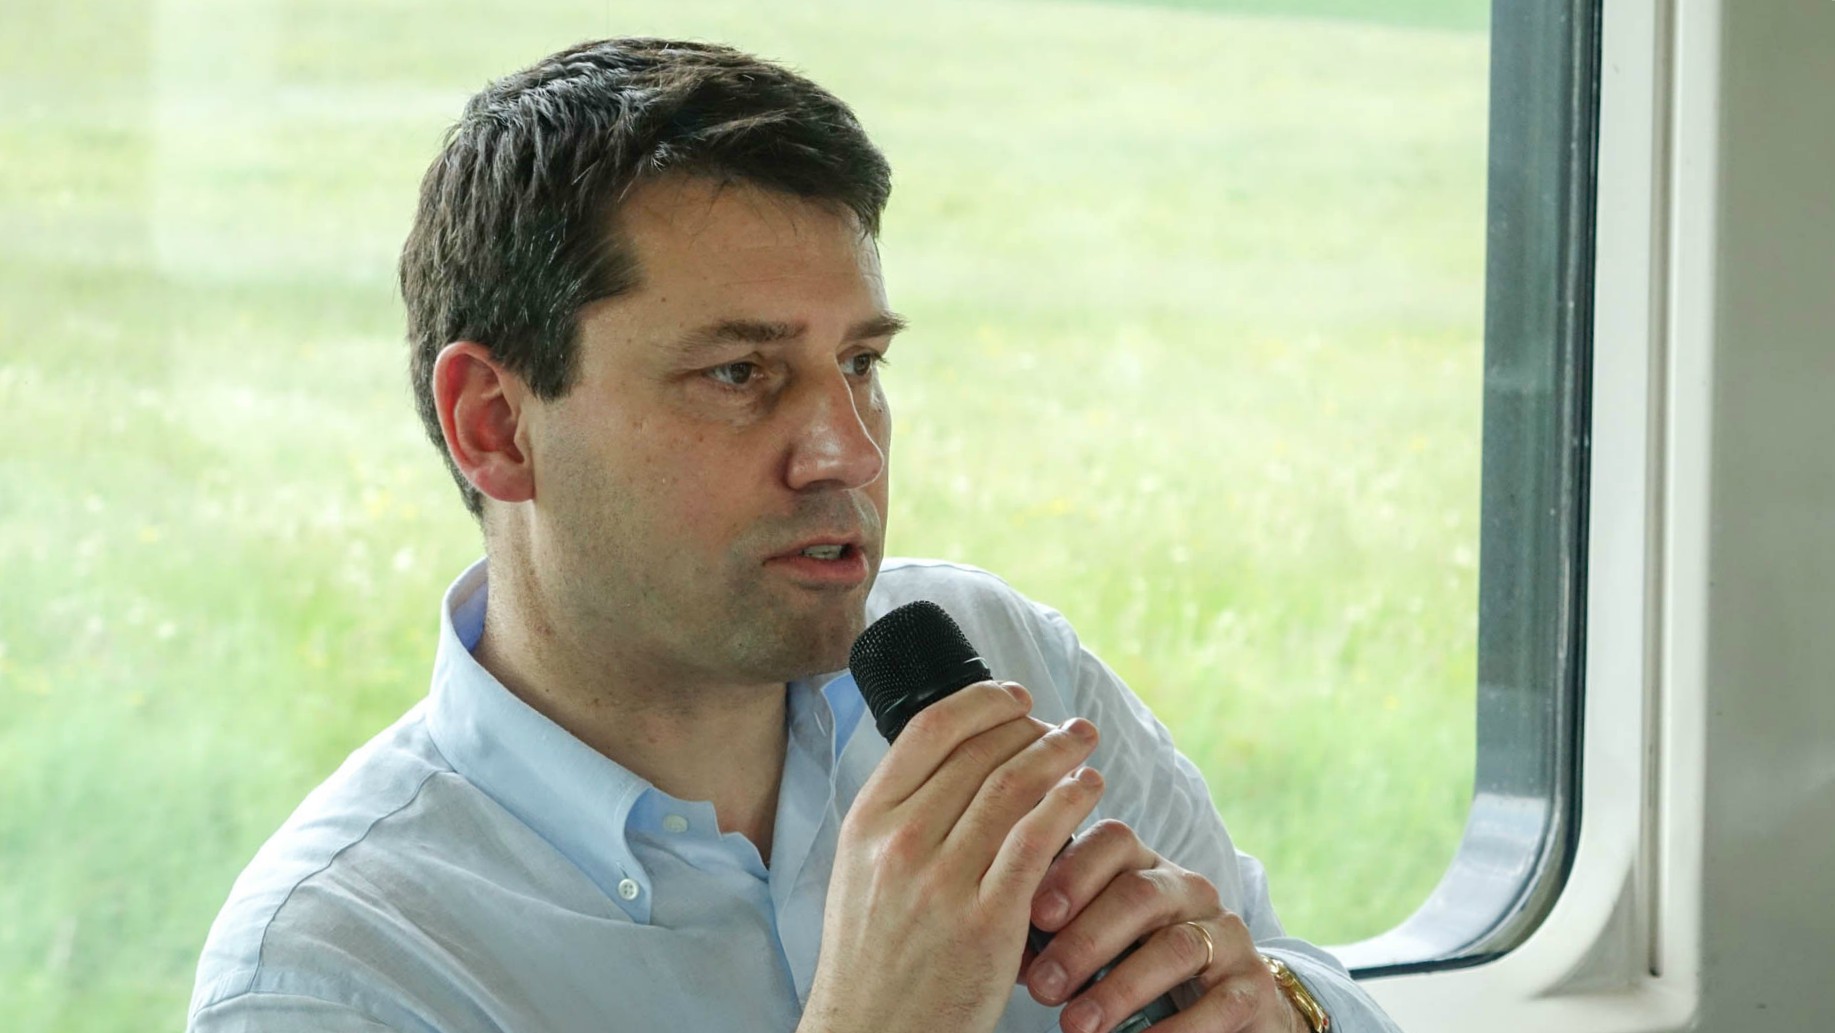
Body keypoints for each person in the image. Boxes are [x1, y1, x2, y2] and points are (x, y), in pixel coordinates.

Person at [189, 38, 1401, 1033]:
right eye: (737, 372)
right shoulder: (334, 972)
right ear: (494, 424)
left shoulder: (996, 665)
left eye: (861, 364)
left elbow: (1299, 976)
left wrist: (1282, 1011)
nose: (849, 454)